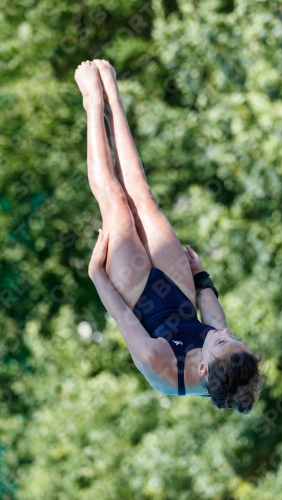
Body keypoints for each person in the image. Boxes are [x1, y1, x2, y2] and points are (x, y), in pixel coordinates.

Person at [74, 60, 264, 413]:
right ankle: (113, 98)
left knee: (116, 203)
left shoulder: (159, 365)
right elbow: (214, 319)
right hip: (178, 294)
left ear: (204, 368)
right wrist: (201, 276)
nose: (225, 334)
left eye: (224, 343)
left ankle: (92, 102)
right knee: (142, 195)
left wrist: (96, 274)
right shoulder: (227, 356)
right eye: (237, 339)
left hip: (138, 300)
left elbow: (122, 317)